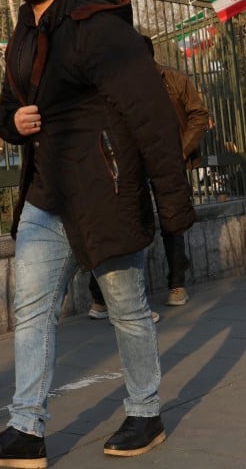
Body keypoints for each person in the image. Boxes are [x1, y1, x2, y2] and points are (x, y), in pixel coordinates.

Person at [0, 0, 195, 467]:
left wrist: (173, 203)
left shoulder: (96, 25)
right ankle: (26, 431)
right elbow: (2, 114)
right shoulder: (21, 34)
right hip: (46, 196)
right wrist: (14, 123)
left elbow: (150, 114)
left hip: (104, 192)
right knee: (32, 312)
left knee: (127, 309)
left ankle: (144, 411)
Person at [87, 58, 210, 315]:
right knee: (124, 221)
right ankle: (101, 295)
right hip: (132, 162)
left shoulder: (173, 79)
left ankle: (177, 284)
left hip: (168, 160)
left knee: (172, 220)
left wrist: (181, 151)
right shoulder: (117, 84)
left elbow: (198, 114)